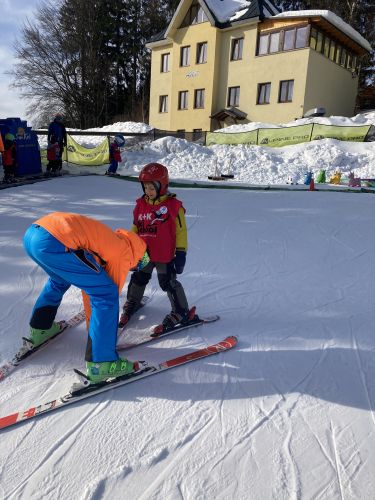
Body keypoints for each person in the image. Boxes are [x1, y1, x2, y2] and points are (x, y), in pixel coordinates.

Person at [23, 212, 149, 383]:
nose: (132, 269)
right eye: (135, 267)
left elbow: (89, 279)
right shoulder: (124, 253)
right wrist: (95, 332)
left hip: (34, 235)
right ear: (139, 258)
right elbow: (102, 296)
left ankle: (40, 329)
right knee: (106, 293)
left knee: (59, 280)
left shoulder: (115, 239)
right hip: (54, 241)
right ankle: (103, 363)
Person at [119, 163, 192, 333]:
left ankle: (181, 311)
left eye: (152, 187)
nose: (148, 191)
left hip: (164, 254)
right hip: (143, 253)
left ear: (162, 186)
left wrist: (181, 252)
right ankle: (133, 301)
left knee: (168, 282)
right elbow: (135, 228)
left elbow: (181, 231)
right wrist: (130, 246)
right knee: (138, 278)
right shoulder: (140, 205)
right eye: (145, 187)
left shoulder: (174, 206)